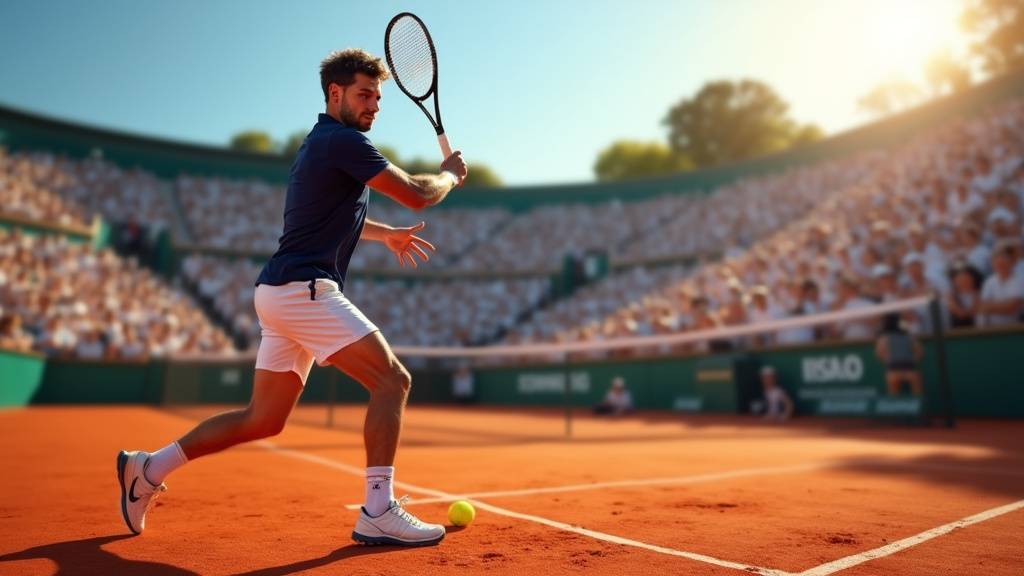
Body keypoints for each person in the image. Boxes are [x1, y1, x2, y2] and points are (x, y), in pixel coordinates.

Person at [117, 49, 468, 546]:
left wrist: (385, 233)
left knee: (262, 419)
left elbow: (327, 220)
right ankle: (377, 508)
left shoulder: (320, 145)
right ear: (335, 93)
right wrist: (450, 175)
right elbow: (415, 190)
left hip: (279, 291)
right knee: (392, 381)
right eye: (365, 94)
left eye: (378, 97)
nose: (374, 105)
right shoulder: (343, 141)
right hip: (304, 289)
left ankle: (148, 468)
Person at [874, 313, 924, 396]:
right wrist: (913, 360)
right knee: (918, 397)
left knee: (894, 399)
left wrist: (887, 360)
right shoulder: (909, 336)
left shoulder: (884, 338)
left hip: (893, 370)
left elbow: (878, 353)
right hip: (910, 369)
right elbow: (920, 352)